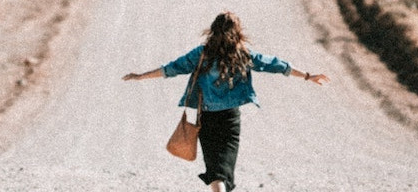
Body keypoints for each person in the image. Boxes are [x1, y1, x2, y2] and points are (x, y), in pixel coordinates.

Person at [122, 11, 329, 192]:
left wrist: (141, 76)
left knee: (215, 171)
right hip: (231, 119)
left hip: (208, 117)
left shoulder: (201, 54)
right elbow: (275, 65)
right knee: (225, 170)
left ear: (213, 31)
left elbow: (172, 68)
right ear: (237, 32)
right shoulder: (243, 55)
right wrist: (307, 75)